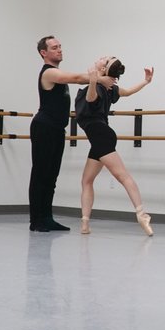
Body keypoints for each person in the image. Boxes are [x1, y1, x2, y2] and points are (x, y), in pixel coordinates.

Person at [29, 36, 115, 232]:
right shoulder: (48, 73)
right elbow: (77, 79)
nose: (59, 50)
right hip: (43, 128)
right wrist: (99, 78)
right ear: (44, 53)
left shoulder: (57, 72)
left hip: (57, 129)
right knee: (41, 174)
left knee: (52, 175)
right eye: (54, 48)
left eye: (60, 46)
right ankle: (36, 220)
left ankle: (47, 217)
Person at [75, 56, 154, 236]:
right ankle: (85, 223)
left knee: (123, 176)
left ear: (103, 70)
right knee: (86, 180)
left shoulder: (100, 88)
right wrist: (146, 81)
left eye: (105, 60)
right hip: (100, 137)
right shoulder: (110, 88)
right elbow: (128, 92)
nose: (102, 58)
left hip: (101, 136)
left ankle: (142, 215)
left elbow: (91, 99)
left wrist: (93, 81)